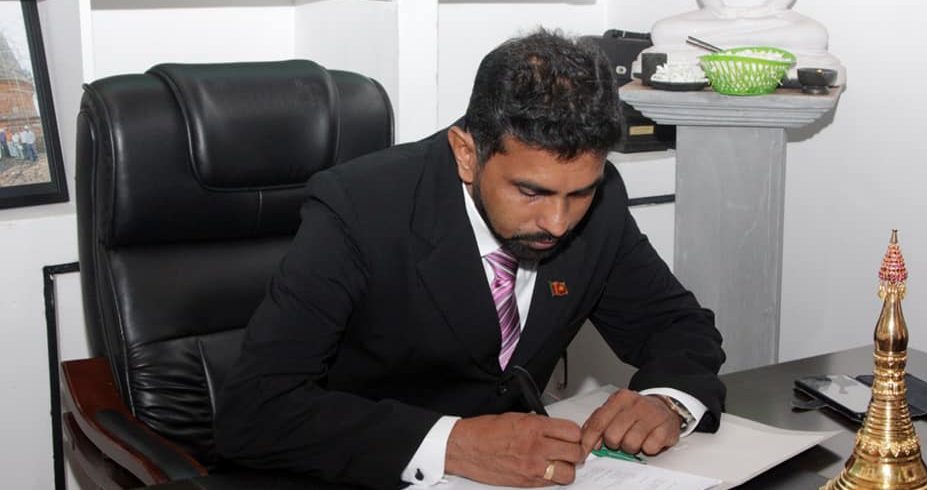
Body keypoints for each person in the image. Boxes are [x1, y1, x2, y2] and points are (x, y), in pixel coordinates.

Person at [215, 29, 725, 489]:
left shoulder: (600, 202)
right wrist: (454, 444)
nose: (558, 222)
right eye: (531, 192)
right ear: (466, 153)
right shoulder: (360, 209)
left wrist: (668, 401)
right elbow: (255, 410)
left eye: (579, 193)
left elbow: (677, 325)